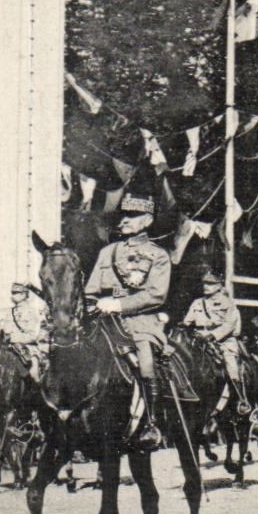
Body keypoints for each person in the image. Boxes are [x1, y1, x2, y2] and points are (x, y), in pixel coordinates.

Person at [85, 192, 171, 449]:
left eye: (131, 216)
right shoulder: (107, 252)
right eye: (123, 215)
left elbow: (156, 295)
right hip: (104, 321)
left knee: (145, 364)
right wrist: (94, 306)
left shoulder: (158, 255)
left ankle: (151, 423)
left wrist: (119, 304)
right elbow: (91, 290)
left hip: (140, 323)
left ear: (146, 221)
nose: (124, 220)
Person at [182, 268, 247, 410]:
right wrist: (183, 326)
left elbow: (230, 324)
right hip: (199, 339)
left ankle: (240, 400)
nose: (206, 286)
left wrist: (214, 335)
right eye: (204, 283)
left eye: (210, 283)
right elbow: (187, 321)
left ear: (219, 286)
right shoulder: (197, 303)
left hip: (222, 341)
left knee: (231, 364)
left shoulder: (227, 303)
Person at [6, 281, 50, 381]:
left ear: (24, 294)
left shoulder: (31, 311)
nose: (12, 295)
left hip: (28, 349)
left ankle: (37, 393)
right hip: (11, 348)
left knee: (33, 373)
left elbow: (33, 335)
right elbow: (6, 331)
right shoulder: (10, 312)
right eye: (12, 292)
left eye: (15, 293)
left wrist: (15, 339)